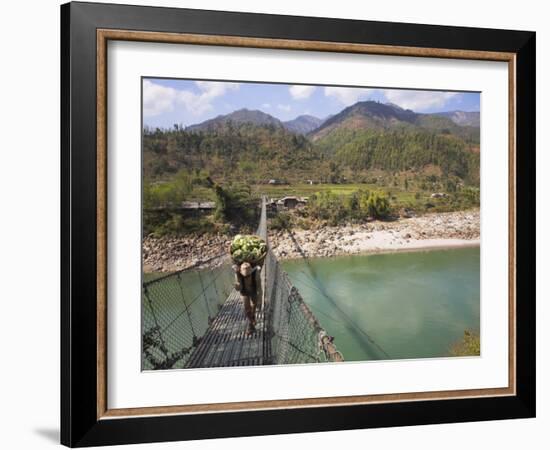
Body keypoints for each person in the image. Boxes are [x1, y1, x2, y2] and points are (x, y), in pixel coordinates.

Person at [233, 261, 262, 335]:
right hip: (244, 291)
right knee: (247, 309)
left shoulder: (256, 273)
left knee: (254, 305)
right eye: (245, 276)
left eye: (248, 276)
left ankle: (252, 319)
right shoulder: (238, 274)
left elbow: (259, 288)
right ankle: (251, 325)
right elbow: (239, 288)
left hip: (253, 289)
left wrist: (260, 300)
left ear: (251, 272)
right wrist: (237, 285)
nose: (246, 277)